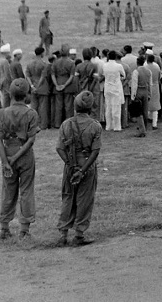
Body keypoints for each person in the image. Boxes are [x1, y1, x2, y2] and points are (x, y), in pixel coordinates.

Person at [0, 78, 39, 240]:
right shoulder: (31, 113)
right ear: (27, 94)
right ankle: (24, 229)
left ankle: (4, 227)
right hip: (25, 154)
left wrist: (6, 161)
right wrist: (16, 157)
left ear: (10, 94)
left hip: (8, 150)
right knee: (26, 190)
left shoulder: (3, 113)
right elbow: (31, 140)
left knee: (8, 189)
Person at [56, 91, 102, 246]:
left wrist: (71, 165)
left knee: (68, 197)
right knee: (85, 199)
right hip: (87, 166)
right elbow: (95, 151)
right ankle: (79, 234)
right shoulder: (95, 126)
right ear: (91, 108)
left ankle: (63, 233)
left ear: (75, 107)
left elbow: (60, 148)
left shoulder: (66, 124)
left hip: (70, 165)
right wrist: (82, 170)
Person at [51, 44, 76, 128]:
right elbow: (72, 76)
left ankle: (57, 123)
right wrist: (65, 85)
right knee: (68, 106)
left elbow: (53, 75)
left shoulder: (55, 62)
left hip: (57, 83)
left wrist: (57, 85)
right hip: (68, 86)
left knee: (58, 106)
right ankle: (68, 124)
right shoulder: (71, 63)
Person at [26, 47, 51, 129]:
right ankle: (43, 125)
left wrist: (32, 86)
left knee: (34, 107)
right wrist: (38, 86)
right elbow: (43, 77)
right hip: (42, 87)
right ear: (42, 53)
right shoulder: (44, 64)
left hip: (32, 86)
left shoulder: (29, 64)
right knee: (43, 107)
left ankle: (33, 124)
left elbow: (28, 76)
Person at [102, 51, 125, 131]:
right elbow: (123, 75)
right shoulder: (119, 66)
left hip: (108, 87)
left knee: (108, 107)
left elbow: (104, 75)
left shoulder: (104, 65)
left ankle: (109, 126)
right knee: (116, 107)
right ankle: (117, 126)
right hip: (116, 88)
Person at [130, 55, 152, 136]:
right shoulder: (148, 71)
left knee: (138, 111)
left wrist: (133, 96)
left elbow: (134, 84)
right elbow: (150, 84)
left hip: (139, 91)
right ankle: (145, 127)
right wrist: (150, 93)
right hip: (146, 90)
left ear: (137, 63)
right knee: (145, 110)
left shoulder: (136, 71)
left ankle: (141, 130)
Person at [145, 51, 161, 129]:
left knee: (147, 105)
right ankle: (154, 123)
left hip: (147, 86)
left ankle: (146, 122)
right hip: (155, 86)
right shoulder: (157, 66)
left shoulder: (145, 66)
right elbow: (159, 77)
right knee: (155, 105)